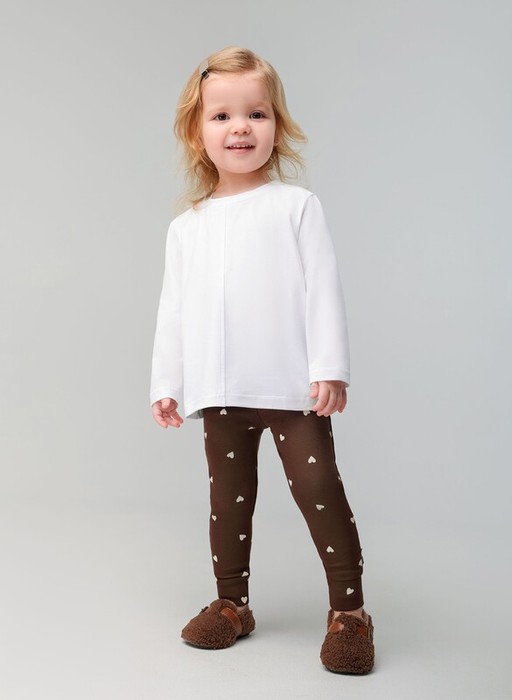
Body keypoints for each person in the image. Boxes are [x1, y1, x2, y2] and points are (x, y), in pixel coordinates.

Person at [150, 46, 374, 674]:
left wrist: (330, 367)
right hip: (219, 387)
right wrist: (167, 381)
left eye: (256, 113)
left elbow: (322, 287)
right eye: (221, 116)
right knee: (228, 498)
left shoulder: (296, 206)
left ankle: (350, 613)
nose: (240, 128)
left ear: (277, 124)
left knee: (318, 488)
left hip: (289, 384)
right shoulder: (187, 227)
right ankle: (232, 604)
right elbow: (173, 308)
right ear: (197, 131)